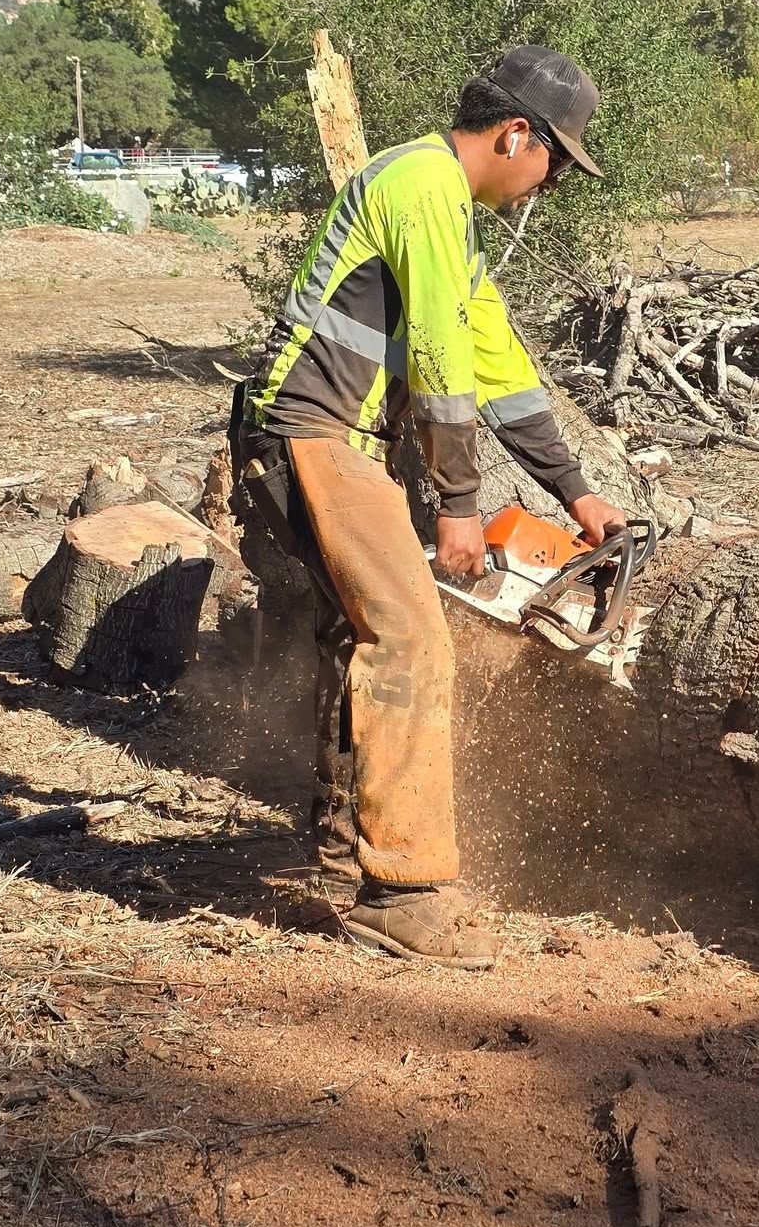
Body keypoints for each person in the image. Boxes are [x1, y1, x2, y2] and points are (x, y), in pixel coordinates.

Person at [233, 47, 625, 969]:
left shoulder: (451, 220)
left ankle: (343, 855)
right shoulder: (421, 185)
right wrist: (458, 503)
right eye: (558, 162)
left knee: (358, 635)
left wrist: (577, 489)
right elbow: (445, 359)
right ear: (516, 134)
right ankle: (401, 896)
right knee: (409, 636)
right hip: (311, 433)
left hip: (340, 440)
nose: (553, 183)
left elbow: (497, 365)